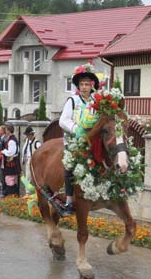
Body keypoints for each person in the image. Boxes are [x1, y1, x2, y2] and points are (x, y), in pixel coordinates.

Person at [59, 63, 100, 216]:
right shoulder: (73, 101)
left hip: (92, 141)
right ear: (78, 86)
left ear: (92, 86)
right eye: (81, 84)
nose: (84, 87)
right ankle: (69, 201)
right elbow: (63, 121)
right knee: (69, 167)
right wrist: (77, 129)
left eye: (87, 84)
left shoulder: (96, 101)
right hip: (74, 141)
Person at [1, 124, 21, 196]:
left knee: (9, 179)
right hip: (12, 162)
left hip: (11, 162)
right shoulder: (11, 139)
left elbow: (10, 153)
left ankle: (11, 195)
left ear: (8, 131)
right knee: (12, 179)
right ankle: (13, 195)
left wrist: (3, 151)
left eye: (6, 130)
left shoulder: (11, 141)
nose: (5, 131)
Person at [21, 126, 41, 193]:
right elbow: (24, 150)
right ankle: (27, 192)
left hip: (34, 161)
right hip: (28, 160)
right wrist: (23, 159)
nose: (27, 136)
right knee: (28, 177)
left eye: (28, 135)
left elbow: (40, 153)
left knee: (33, 178)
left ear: (31, 134)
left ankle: (32, 192)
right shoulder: (27, 141)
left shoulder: (37, 143)